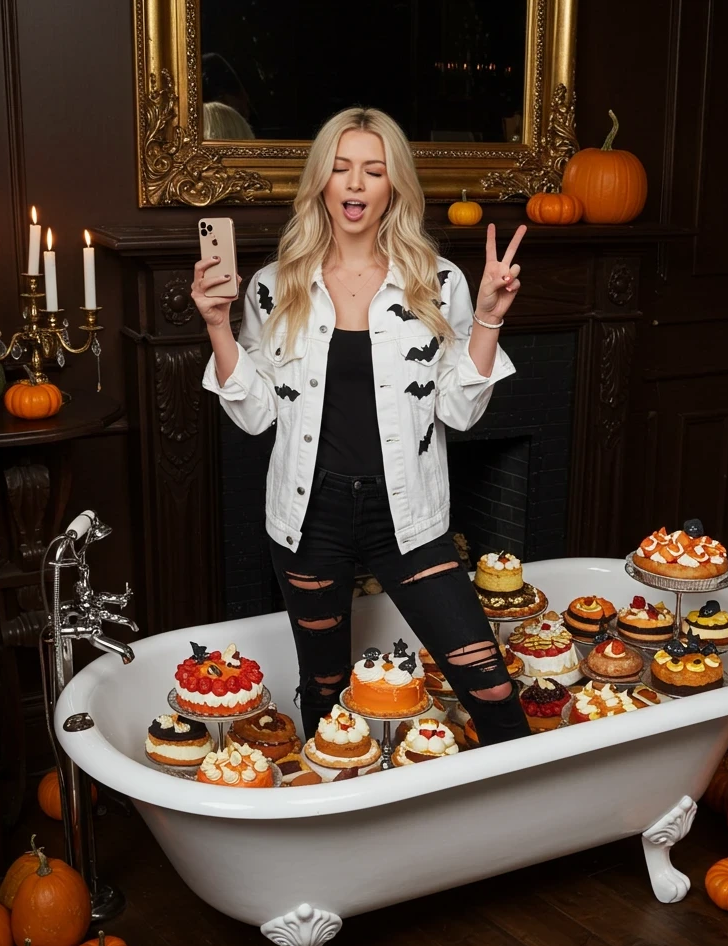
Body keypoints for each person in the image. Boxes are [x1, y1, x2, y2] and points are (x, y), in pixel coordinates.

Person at [193, 107, 529, 745]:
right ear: (321, 181)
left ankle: (521, 834)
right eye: (341, 168)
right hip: (307, 518)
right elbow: (256, 413)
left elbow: (460, 410)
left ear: (393, 186)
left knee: (487, 684)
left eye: (373, 170)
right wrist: (216, 324)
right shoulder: (272, 287)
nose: (354, 183)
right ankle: (342, 832)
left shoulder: (439, 282)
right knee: (325, 696)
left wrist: (486, 317)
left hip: (409, 516)